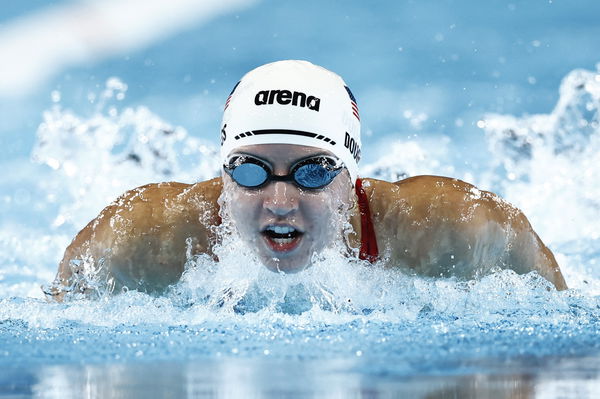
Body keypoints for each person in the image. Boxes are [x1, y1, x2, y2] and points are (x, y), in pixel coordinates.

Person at [45, 60, 567, 300]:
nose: (278, 201)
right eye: (249, 169)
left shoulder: (452, 227)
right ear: (222, 173)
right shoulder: (144, 236)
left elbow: (562, 321)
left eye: (312, 172)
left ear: (351, 177)